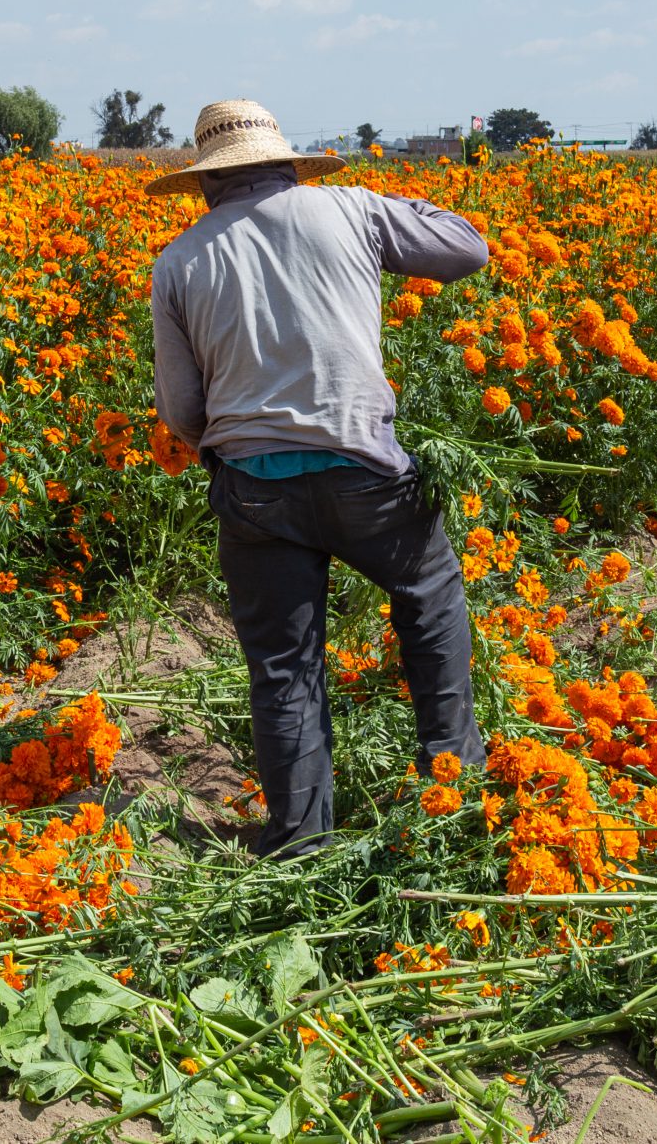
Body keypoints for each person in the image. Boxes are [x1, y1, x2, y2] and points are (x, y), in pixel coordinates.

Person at [149, 98, 491, 855]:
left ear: (206, 182)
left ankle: (302, 842)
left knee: (283, 666)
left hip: (255, 492)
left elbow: (181, 410)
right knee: (429, 603)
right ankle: (455, 791)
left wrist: (248, 436)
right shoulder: (350, 210)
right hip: (365, 472)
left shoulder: (179, 261)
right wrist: (392, 207)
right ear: (287, 163)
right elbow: (467, 249)